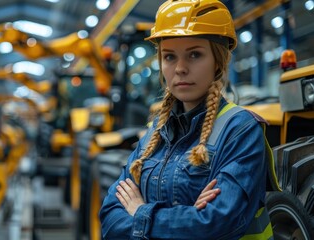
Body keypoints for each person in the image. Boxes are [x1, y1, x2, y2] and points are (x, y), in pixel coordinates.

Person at [99, 0, 277, 239]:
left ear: (218, 60)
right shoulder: (154, 133)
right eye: (170, 57)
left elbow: (214, 224)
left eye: (194, 54)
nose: (180, 68)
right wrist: (188, 215)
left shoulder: (240, 130)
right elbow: (110, 218)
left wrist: (140, 211)